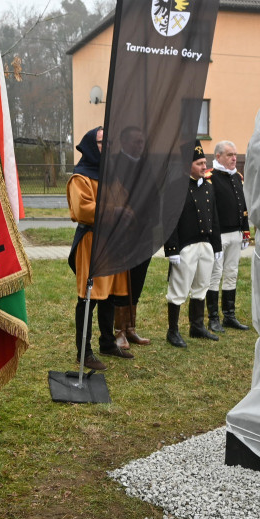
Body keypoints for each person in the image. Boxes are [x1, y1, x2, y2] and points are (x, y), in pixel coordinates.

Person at [66, 126, 131, 370]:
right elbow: (83, 211)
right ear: (92, 145)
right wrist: (116, 211)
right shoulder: (79, 178)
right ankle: (84, 352)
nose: (108, 147)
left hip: (112, 241)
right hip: (91, 242)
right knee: (88, 297)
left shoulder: (112, 175)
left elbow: (126, 201)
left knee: (110, 296)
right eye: (103, 143)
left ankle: (107, 343)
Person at [164, 141, 223, 347]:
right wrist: (172, 249)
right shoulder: (175, 187)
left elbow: (214, 217)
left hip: (205, 244)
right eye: (199, 163)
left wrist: (217, 246)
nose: (203, 166)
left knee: (202, 286)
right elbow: (169, 219)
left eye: (204, 162)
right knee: (179, 290)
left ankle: (197, 326)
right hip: (185, 247)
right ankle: (173, 331)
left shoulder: (208, 186)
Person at [110, 125, 152, 350]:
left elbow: (153, 194)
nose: (139, 145)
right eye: (136, 141)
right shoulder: (114, 163)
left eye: (141, 141)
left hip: (143, 234)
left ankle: (131, 328)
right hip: (123, 233)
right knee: (122, 282)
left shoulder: (146, 164)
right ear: (124, 142)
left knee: (137, 280)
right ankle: (118, 331)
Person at [206, 140, 251, 333]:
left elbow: (244, 206)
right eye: (229, 155)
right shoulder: (210, 177)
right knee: (215, 275)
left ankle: (229, 315)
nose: (234, 158)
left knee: (231, 273)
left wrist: (245, 230)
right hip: (219, 235)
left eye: (235, 154)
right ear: (218, 157)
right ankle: (213, 318)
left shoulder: (237, 177)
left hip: (235, 233)